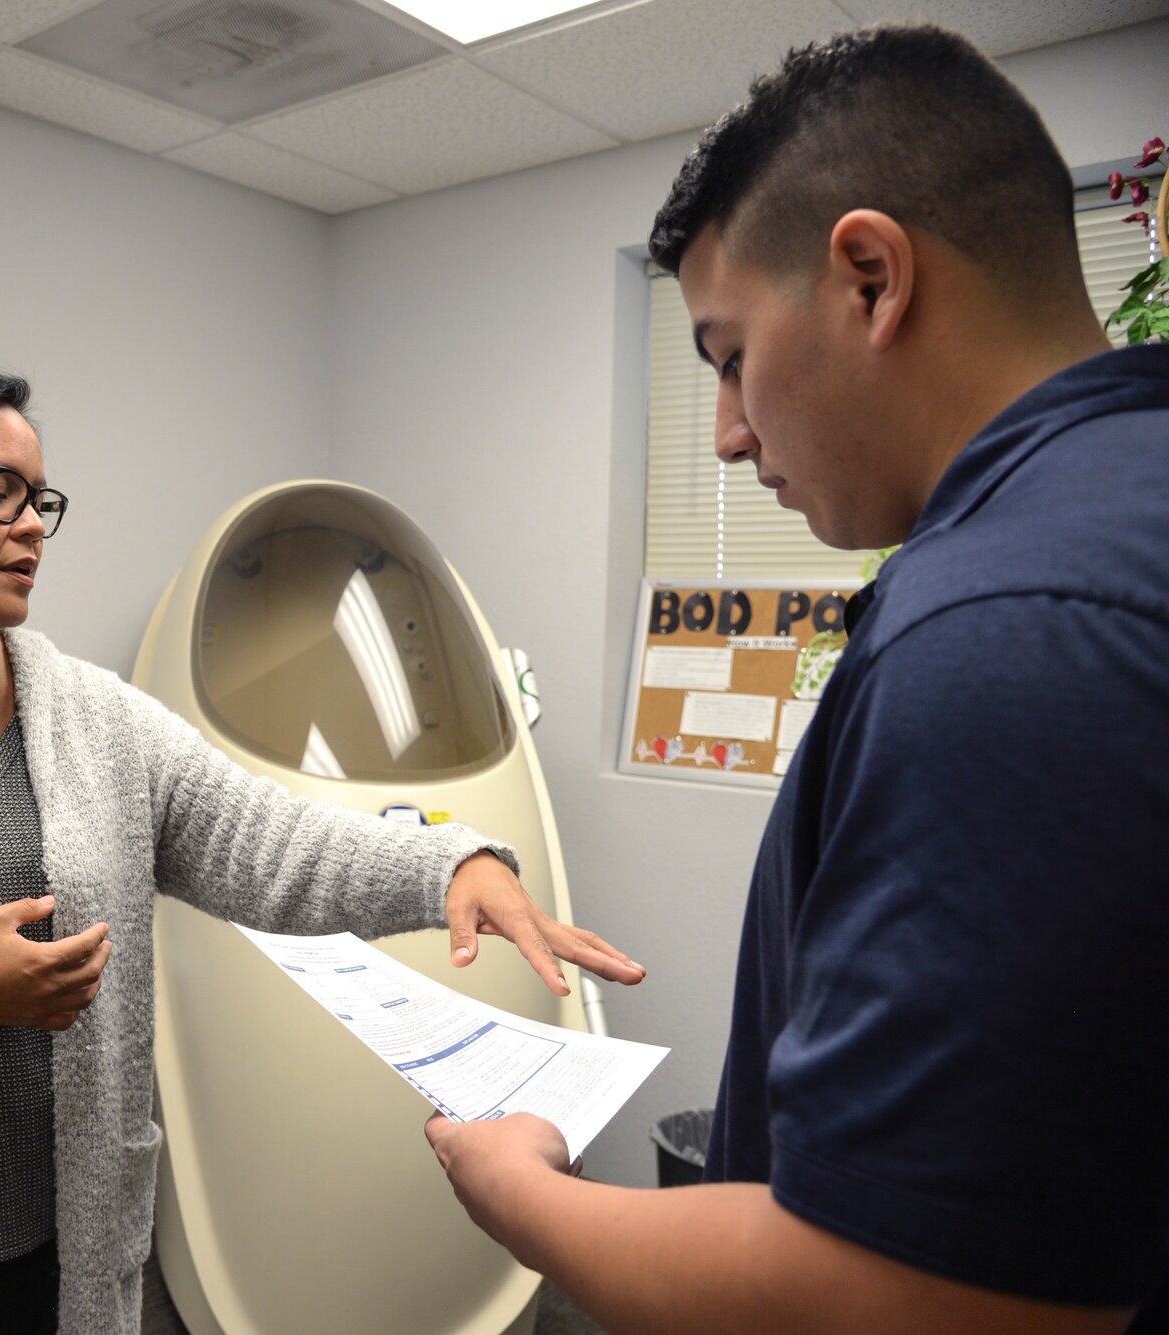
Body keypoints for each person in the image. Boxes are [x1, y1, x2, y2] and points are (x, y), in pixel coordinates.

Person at [0, 363, 645, 1335]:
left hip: (55, 1251)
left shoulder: (92, 720)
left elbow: (265, 841)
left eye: (40, 498)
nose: (31, 524)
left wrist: (448, 867)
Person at [424, 24, 1169, 1335]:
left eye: (726, 354)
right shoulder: (1120, 512)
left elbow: (903, 1293)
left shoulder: (1001, 625)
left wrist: (523, 1189)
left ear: (871, 277)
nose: (721, 433)